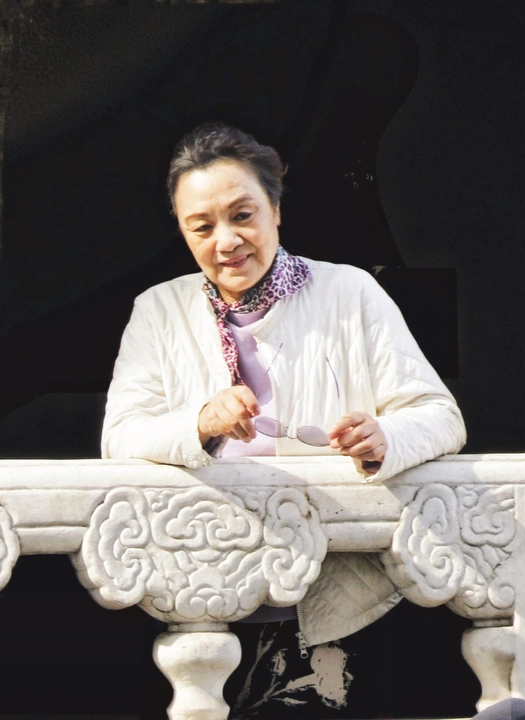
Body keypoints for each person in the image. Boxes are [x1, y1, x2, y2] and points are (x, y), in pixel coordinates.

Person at [102, 122, 467, 717]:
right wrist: (199, 422)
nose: (226, 241)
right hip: (207, 585)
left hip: (337, 594)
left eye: (242, 215)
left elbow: (440, 416)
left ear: (275, 209)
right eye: (202, 227)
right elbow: (119, 437)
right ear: (183, 231)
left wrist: (386, 436)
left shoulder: (350, 293)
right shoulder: (158, 310)